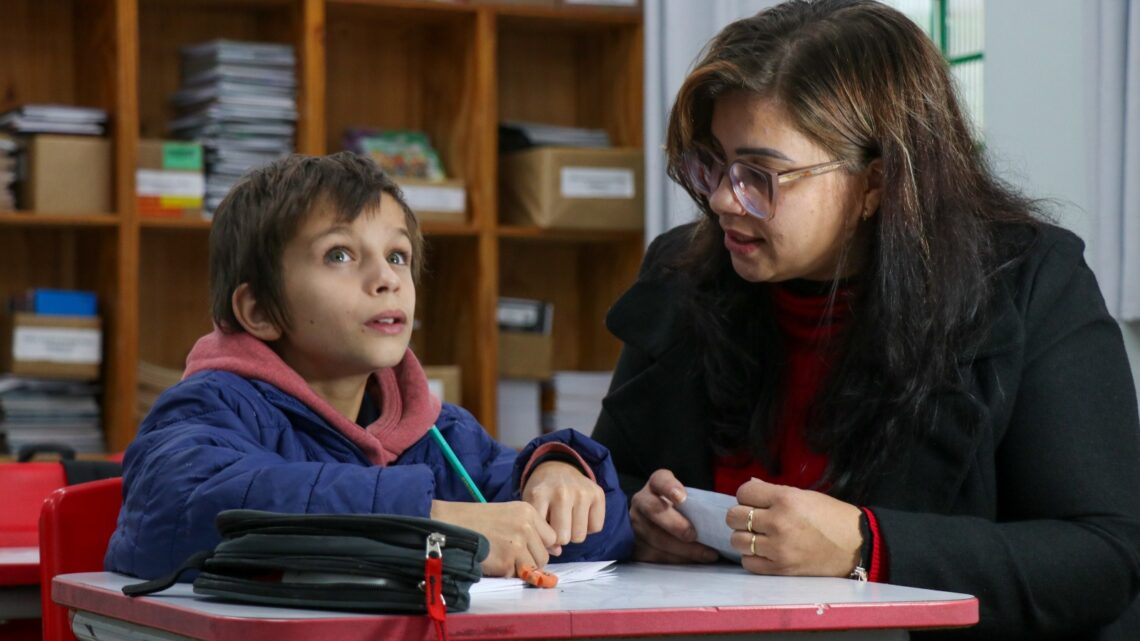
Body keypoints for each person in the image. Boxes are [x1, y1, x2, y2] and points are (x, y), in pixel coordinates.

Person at [591, 0, 1140, 638]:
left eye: (760, 175)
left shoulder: (1027, 283)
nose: (719, 200)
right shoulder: (682, 276)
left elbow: (1104, 554)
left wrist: (866, 546)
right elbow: (615, 477)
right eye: (714, 163)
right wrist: (638, 521)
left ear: (876, 182)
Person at [106, 152, 632, 581]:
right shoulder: (209, 406)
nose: (387, 279)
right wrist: (428, 520)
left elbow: (588, 539)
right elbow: (180, 509)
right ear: (260, 311)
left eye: (398, 255)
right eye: (340, 254)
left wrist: (559, 471)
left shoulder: (439, 433)